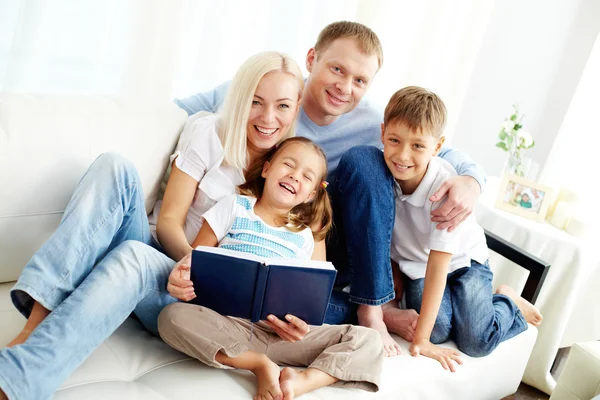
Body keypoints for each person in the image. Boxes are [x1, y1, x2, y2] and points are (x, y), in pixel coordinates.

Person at [0, 51, 305, 400]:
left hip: (194, 305)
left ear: (296, 107)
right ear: (240, 99)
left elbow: (300, 260)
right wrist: (194, 263)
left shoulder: (293, 169)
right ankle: (34, 327)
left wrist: (291, 317)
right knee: (114, 167)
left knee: (137, 257)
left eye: (282, 105)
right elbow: (170, 221)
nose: (268, 117)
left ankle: (17, 380)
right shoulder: (209, 131)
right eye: (256, 102)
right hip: (171, 259)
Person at [174, 20, 487, 356]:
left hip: (325, 233)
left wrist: (472, 180)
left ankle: (372, 308)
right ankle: (371, 310)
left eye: (360, 80)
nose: (344, 86)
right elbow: (182, 108)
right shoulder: (273, 92)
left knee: (365, 161)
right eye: (337, 69)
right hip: (266, 234)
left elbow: (435, 147)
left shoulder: (374, 124)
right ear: (311, 59)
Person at [159, 137, 383, 400]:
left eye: (306, 176)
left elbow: (312, 302)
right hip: (227, 325)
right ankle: (257, 364)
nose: (294, 176)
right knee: (171, 316)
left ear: (311, 194)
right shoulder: (234, 207)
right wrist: (184, 280)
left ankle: (300, 383)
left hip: (282, 337)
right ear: (266, 169)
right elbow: (195, 262)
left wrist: (302, 326)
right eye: (288, 164)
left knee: (368, 340)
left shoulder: (305, 237)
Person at [377, 86, 542, 371]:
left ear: (437, 146)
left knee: (476, 341)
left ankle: (508, 302)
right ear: (382, 133)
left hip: (464, 262)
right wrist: (429, 334)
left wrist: (422, 341)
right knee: (439, 329)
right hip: (417, 266)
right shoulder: (379, 176)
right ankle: (469, 308)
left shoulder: (442, 188)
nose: (403, 155)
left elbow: (439, 265)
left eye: (418, 146)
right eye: (394, 140)